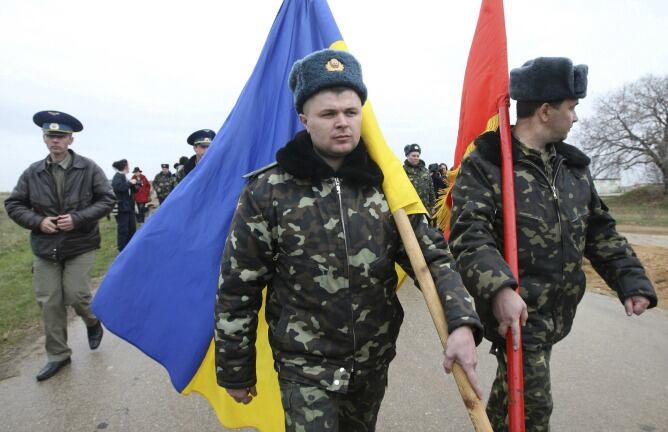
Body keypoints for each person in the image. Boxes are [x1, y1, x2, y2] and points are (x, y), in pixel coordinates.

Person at [214, 49, 483, 431]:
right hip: (305, 368)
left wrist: (461, 322)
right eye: (328, 114)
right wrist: (235, 368)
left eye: (351, 112)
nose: (342, 123)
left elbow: (434, 259)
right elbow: (238, 286)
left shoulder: (387, 186)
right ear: (304, 119)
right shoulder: (268, 192)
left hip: (371, 364)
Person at [448, 57, 658, 431]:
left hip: (555, 315)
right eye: (571, 108)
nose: (575, 118)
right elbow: (470, 234)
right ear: (545, 111)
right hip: (517, 314)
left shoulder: (572, 168)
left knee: (515, 407)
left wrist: (631, 281)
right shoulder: (488, 163)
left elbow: (599, 229)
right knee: (531, 413)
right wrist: (500, 289)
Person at [4, 110, 114, 381]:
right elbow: (14, 204)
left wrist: (77, 219)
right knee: (49, 300)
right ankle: (58, 355)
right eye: (50, 136)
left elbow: (106, 199)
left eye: (60, 136)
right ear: (44, 139)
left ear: (70, 140)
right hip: (45, 246)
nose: (55, 141)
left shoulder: (88, 168)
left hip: (80, 243)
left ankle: (92, 321)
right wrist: (38, 222)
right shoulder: (33, 172)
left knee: (75, 294)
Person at [111, 159, 137, 251]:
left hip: (129, 207)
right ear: (124, 167)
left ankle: (130, 248)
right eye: (127, 165)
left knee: (132, 228)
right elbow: (119, 187)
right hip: (122, 208)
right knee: (123, 230)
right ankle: (122, 249)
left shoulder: (124, 177)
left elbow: (128, 190)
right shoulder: (117, 177)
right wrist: (130, 183)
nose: (129, 167)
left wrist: (135, 185)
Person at [403, 143, 436, 214]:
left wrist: (433, 206)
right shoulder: (402, 171)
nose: (416, 158)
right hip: (410, 210)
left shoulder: (425, 171)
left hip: (425, 209)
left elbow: (431, 189)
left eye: (418, 156)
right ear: (407, 156)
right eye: (413, 156)